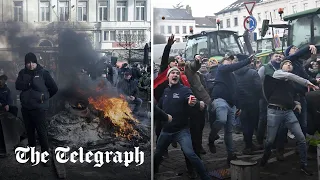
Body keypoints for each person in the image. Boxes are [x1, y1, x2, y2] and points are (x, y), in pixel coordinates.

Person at [260, 59, 318, 175]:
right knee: (270, 140)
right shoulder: (278, 74)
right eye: (286, 63)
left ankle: (303, 165)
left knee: (301, 138)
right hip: (274, 111)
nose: (289, 65)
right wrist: (307, 82)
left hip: (288, 112)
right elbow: (289, 76)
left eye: (290, 64)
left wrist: (297, 103)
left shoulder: (291, 83)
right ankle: (265, 157)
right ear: (282, 67)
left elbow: (295, 95)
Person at [154, 67, 211, 180]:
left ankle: (205, 176)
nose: (175, 75)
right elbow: (159, 108)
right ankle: (154, 171)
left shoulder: (184, 90)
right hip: (166, 131)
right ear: (168, 76)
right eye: (172, 73)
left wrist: (193, 102)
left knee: (190, 154)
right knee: (158, 154)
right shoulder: (165, 91)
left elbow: (191, 99)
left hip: (181, 131)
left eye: (177, 73)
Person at [208, 54, 254, 165]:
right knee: (222, 119)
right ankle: (211, 137)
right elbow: (231, 67)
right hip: (220, 100)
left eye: (231, 61)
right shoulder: (221, 68)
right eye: (227, 61)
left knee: (229, 132)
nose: (230, 62)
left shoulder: (233, 76)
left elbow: (236, 91)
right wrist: (247, 60)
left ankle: (231, 154)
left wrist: (239, 106)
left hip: (232, 104)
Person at [15, 52, 58, 166]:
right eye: (28, 63)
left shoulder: (44, 73)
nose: (30, 65)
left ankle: (45, 157)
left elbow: (54, 88)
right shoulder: (22, 73)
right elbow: (17, 86)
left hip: (39, 109)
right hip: (26, 108)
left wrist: (45, 98)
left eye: (32, 62)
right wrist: (28, 84)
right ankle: (33, 155)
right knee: (30, 133)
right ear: (25, 63)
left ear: (36, 62)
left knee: (42, 133)